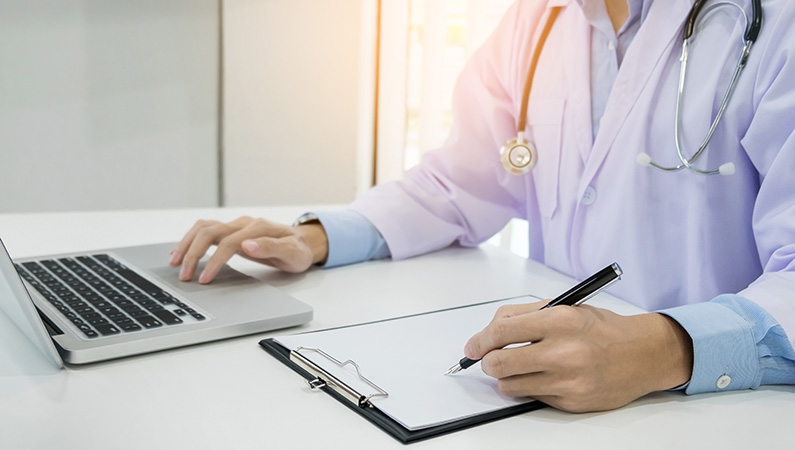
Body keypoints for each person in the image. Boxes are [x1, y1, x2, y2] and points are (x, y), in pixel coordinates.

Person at [169, 0, 795, 412]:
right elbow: (463, 177)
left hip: (716, 413)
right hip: (557, 408)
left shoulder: (774, 25)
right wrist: (317, 235)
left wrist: (665, 347)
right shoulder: (541, 18)